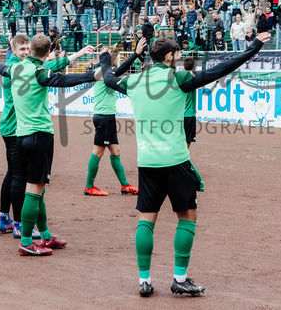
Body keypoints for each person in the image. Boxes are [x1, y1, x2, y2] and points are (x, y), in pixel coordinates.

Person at [99, 32, 270, 297]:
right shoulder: (179, 79)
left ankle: (144, 280)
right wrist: (254, 47)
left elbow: (108, 78)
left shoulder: (133, 81)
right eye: (177, 54)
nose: (179, 58)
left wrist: (103, 59)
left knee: (146, 220)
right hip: (177, 161)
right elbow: (223, 68)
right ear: (169, 56)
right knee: (187, 216)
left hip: (147, 162)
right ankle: (179, 278)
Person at [0, 36, 100, 256]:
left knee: (38, 189)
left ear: (30, 51)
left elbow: (2, 68)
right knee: (35, 188)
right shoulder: (39, 72)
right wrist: (93, 75)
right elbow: (63, 81)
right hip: (40, 135)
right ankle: (27, 242)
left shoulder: (16, 69)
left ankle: (45, 235)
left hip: (21, 136)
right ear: (47, 53)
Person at [0, 35, 70, 238]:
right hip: (18, 128)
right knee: (20, 178)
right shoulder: (18, 68)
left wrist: (70, 57)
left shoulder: (17, 66)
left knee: (13, 174)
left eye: (28, 48)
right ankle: (18, 224)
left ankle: (4, 218)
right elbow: (43, 70)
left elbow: (42, 65)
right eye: (22, 49)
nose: (26, 52)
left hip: (13, 128)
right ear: (13, 50)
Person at [84, 40, 145, 197]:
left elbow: (121, 70)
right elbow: (121, 70)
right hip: (103, 117)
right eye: (116, 59)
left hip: (107, 117)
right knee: (98, 152)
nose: (118, 62)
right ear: (111, 59)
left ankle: (125, 185)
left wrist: (136, 54)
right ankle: (89, 186)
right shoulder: (102, 73)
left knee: (115, 151)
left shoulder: (105, 72)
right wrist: (136, 54)